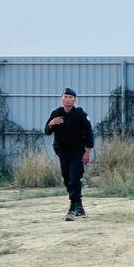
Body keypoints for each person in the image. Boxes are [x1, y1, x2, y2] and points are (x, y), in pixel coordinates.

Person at [44, 88, 94, 221]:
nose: (67, 99)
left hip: (77, 153)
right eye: (65, 96)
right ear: (62, 98)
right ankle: (79, 206)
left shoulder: (80, 114)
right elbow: (47, 131)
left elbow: (89, 134)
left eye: (70, 97)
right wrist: (51, 124)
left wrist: (87, 153)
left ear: (74, 99)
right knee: (67, 180)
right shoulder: (56, 113)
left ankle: (72, 208)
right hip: (62, 152)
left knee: (74, 179)